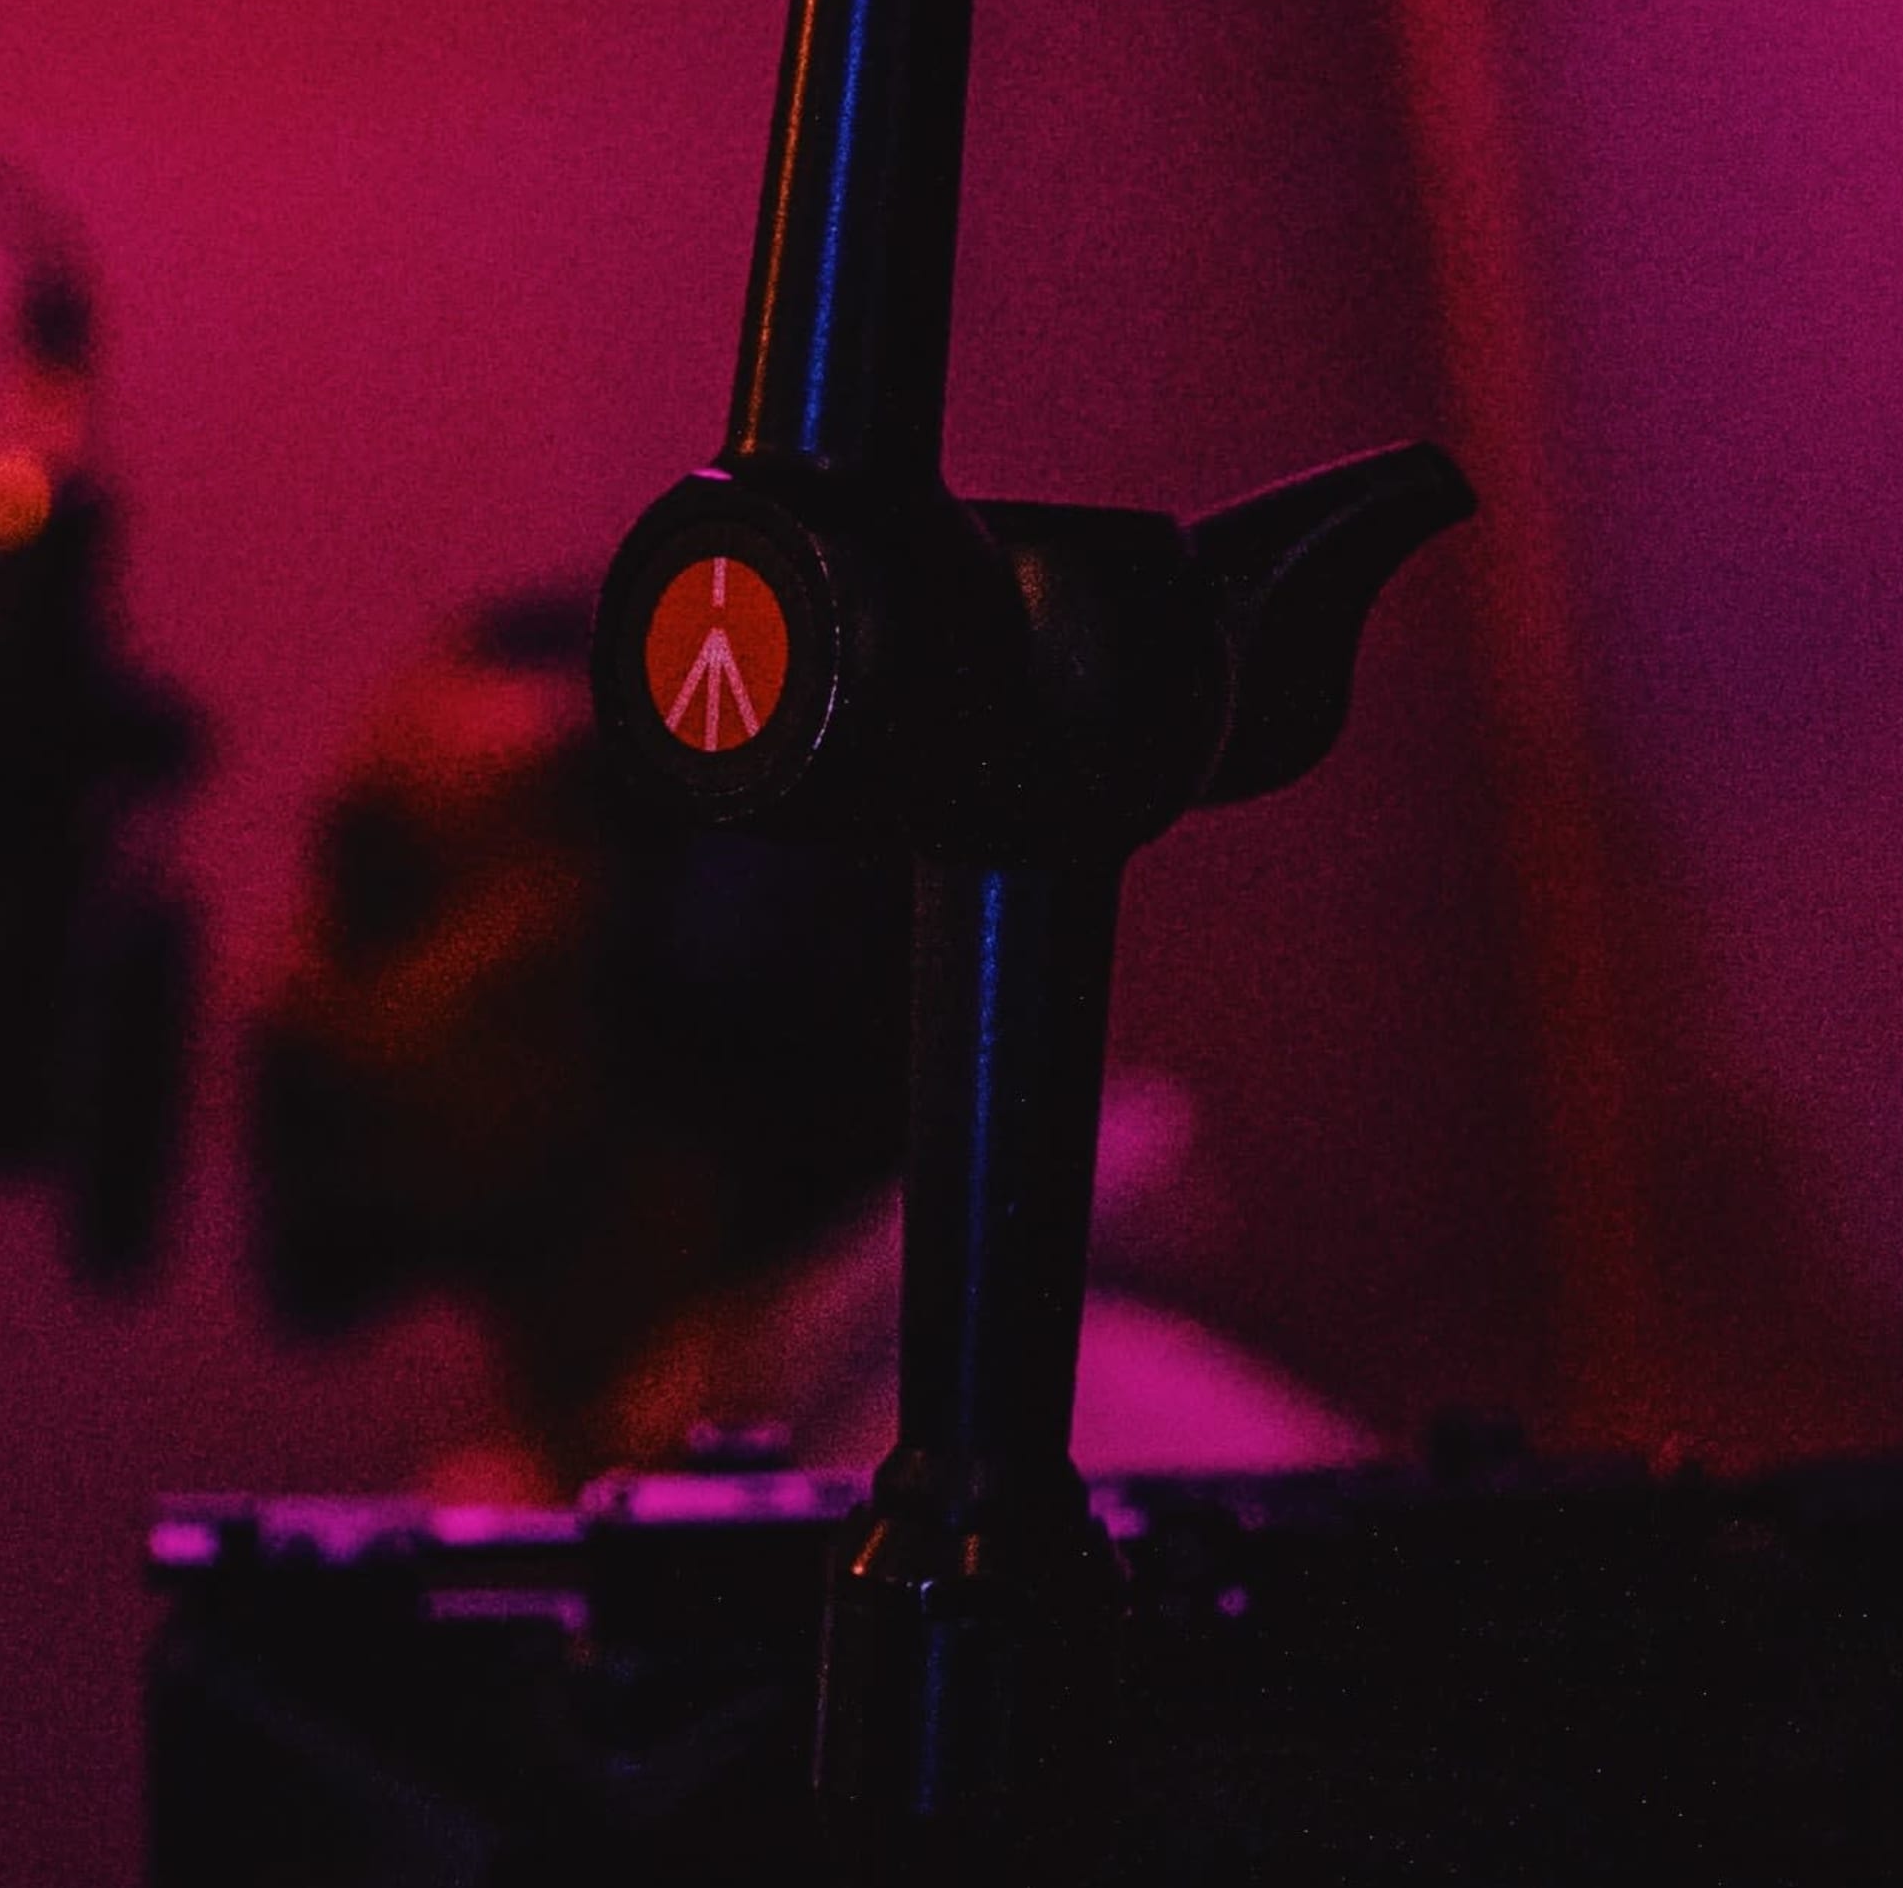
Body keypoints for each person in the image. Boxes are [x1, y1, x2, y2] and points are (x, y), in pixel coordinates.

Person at [245, 591, 1378, 1499]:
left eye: (387, 894)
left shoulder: (1130, 1510)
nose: (279, 992)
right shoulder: (553, 1514)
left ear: (704, 950)